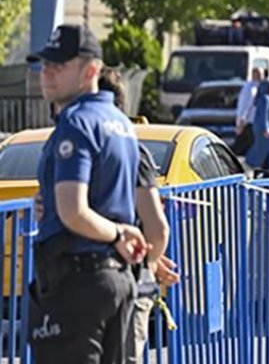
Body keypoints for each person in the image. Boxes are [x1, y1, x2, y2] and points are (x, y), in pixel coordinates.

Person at [26, 25, 148, 363]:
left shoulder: (76, 123)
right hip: (116, 280)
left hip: (77, 281)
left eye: (59, 66)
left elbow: (74, 211)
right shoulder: (120, 123)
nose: (46, 74)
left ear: (91, 71)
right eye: (44, 65)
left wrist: (118, 233)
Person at [97, 69, 181, 364]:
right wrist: (152, 264)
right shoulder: (133, 151)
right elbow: (159, 230)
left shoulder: (70, 149)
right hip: (128, 281)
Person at [246, 79, 269, 178]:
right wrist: (266, 128)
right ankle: (254, 164)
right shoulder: (264, 99)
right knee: (261, 149)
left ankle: (266, 167)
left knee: (268, 149)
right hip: (264, 130)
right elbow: (264, 115)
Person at [233, 68, 262, 155]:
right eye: (259, 74)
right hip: (248, 122)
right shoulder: (250, 88)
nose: (261, 76)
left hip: (252, 121)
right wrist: (241, 121)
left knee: (245, 144)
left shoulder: (257, 87)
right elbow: (245, 105)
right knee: (243, 144)